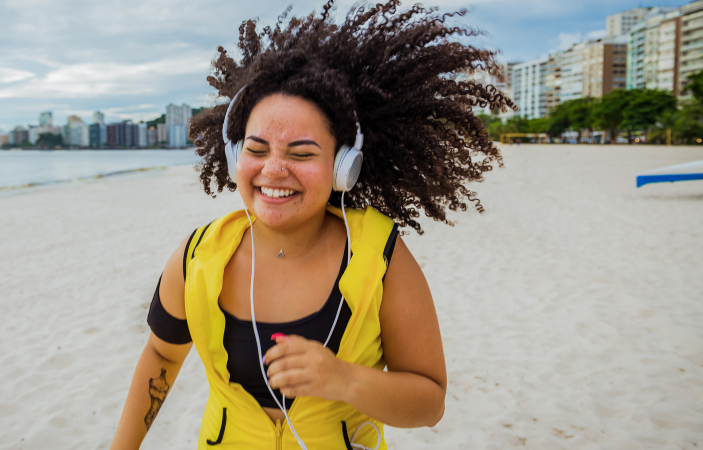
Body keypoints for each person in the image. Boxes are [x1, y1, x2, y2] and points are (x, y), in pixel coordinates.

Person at [110, 1, 514, 449]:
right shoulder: (197, 256)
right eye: (257, 149)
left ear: (345, 166)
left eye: (302, 154)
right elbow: (161, 354)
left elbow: (429, 402)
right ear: (233, 156)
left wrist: (343, 380)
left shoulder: (380, 255)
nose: (274, 170)